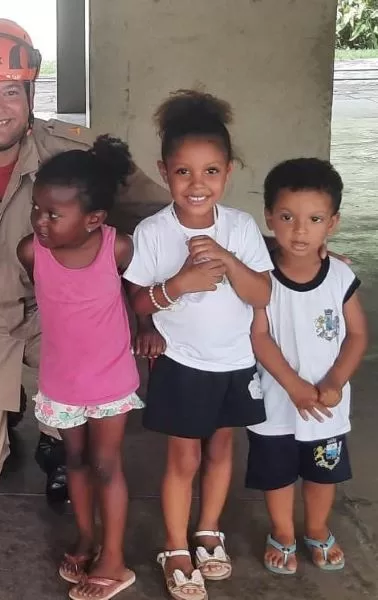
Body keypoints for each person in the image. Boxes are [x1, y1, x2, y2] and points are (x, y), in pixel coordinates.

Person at [0, 18, 173, 498]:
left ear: (30, 93)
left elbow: (164, 216)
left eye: (10, 90)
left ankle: (56, 438)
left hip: (63, 332)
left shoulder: (74, 153)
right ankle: (7, 415)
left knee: (90, 450)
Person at [122, 90, 274, 600]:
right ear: (165, 172)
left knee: (223, 448)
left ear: (228, 172)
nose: (197, 184)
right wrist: (181, 283)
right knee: (183, 460)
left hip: (235, 360)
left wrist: (229, 262)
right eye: (184, 171)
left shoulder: (241, 227)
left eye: (210, 171)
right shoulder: (153, 232)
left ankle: (208, 531)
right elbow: (140, 302)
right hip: (183, 363)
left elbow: (262, 293)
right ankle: (175, 546)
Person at [17, 135, 151, 600]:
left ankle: (113, 559)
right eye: (38, 209)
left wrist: (148, 325)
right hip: (61, 383)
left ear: (94, 219)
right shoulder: (32, 252)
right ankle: (86, 538)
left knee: (107, 464)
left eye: (54, 214)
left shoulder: (118, 249)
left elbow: (140, 292)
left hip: (110, 380)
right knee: (73, 461)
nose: (41, 221)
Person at [246, 158, 367, 575]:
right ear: (268, 217)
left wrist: (335, 380)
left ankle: (316, 529)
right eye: (287, 217)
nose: (300, 230)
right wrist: (294, 385)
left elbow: (357, 336)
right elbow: (259, 335)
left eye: (314, 219)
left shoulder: (339, 276)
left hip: (326, 406)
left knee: (322, 475)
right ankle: (282, 533)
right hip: (278, 404)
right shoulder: (260, 275)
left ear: (331, 223)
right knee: (277, 476)